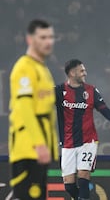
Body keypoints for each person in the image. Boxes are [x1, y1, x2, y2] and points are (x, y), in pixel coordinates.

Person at [55, 59, 110, 200]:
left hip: (88, 141)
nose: (85, 73)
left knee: (84, 175)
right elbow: (43, 103)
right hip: (68, 142)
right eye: (81, 70)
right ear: (72, 73)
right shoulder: (60, 91)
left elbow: (105, 110)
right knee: (69, 185)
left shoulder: (91, 90)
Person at [8, 19, 59, 199]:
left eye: (51, 37)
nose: (48, 41)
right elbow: (24, 108)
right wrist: (39, 144)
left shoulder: (42, 69)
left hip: (40, 147)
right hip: (27, 148)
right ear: (30, 39)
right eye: (43, 37)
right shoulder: (24, 68)